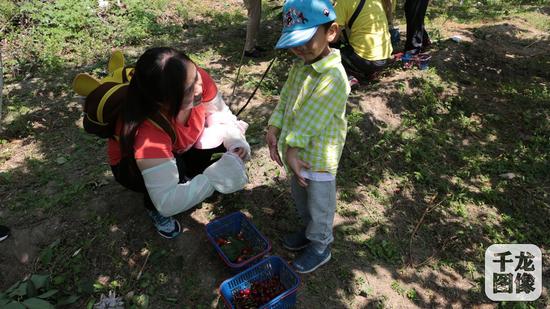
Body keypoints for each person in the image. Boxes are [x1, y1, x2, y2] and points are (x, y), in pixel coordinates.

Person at [109, 47, 249, 239]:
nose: (200, 88)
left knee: (215, 142)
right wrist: (213, 178)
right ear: (162, 101)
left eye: (196, 76)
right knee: (177, 171)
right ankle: (153, 208)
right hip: (130, 167)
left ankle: (186, 178)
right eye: (189, 90)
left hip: (178, 144)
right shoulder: (148, 135)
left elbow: (219, 114)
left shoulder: (193, 78)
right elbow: (166, 202)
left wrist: (234, 138)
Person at [266, 0, 350, 273]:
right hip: (297, 152)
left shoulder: (334, 76)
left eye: (306, 39)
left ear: (331, 32)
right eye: (294, 41)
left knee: (319, 202)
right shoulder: (301, 65)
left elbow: (311, 118)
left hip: (318, 157)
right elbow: (286, 99)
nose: (299, 48)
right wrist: (274, 127)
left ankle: (320, 245)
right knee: (301, 197)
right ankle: (309, 230)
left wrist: (292, 148)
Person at [333, 0, 393, 82]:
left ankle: (350, 77)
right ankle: (367, 72)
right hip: (385, 56)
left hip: (366, 60)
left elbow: (333, 37)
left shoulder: (342, 2)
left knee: (331, 47)